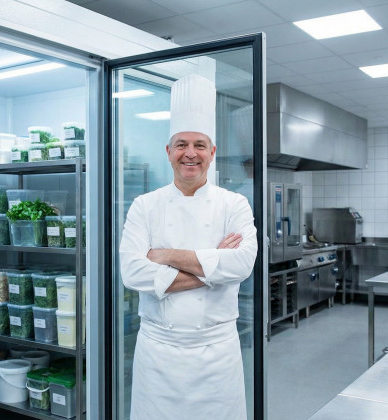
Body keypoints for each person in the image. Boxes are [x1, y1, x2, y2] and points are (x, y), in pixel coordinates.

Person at [119, 74, 258, 420]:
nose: (190, 154)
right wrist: (214, 269)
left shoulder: (234, 204)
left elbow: (242, 264)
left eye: (199, 145)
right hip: (158, 353)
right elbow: (132, 272)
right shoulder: (144, 205)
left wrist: (165, 255)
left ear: (212, 153)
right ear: (168, 152)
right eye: (181, 144)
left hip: (217, 354)